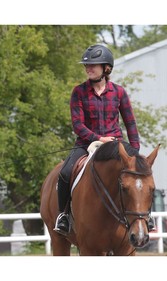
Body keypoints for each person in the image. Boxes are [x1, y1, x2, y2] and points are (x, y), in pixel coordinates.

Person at [53, 44, 155, 236]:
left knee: (141, 174)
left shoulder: (119, 92)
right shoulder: (79, 92)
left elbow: (131, 124)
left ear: (106, 68)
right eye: (86, 66)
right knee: (65, 173)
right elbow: (78, 125)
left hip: (116, 145)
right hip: (86, 144)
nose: (88, 68)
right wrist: (98, 138)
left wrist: (134, 152)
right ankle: (64, 216)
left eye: (93, 65)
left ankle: (145, 218)